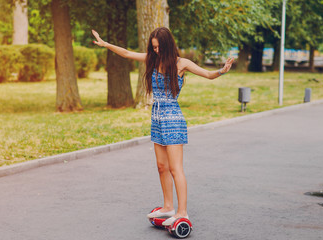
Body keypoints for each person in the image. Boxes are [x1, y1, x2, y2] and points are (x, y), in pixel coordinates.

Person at [92, 27, 234, 226]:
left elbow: (208, 74)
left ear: (166, 45)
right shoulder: (153, 59)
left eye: (158, 47)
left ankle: (182, 212)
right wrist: (105, 44)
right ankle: (168, 207)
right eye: (153, 47)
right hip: (157, 118)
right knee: (161, 167)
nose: (155, 50)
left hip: (173, 119)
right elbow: (126, 53)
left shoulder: (181, 63)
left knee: (176, 169)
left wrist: (221, 70)